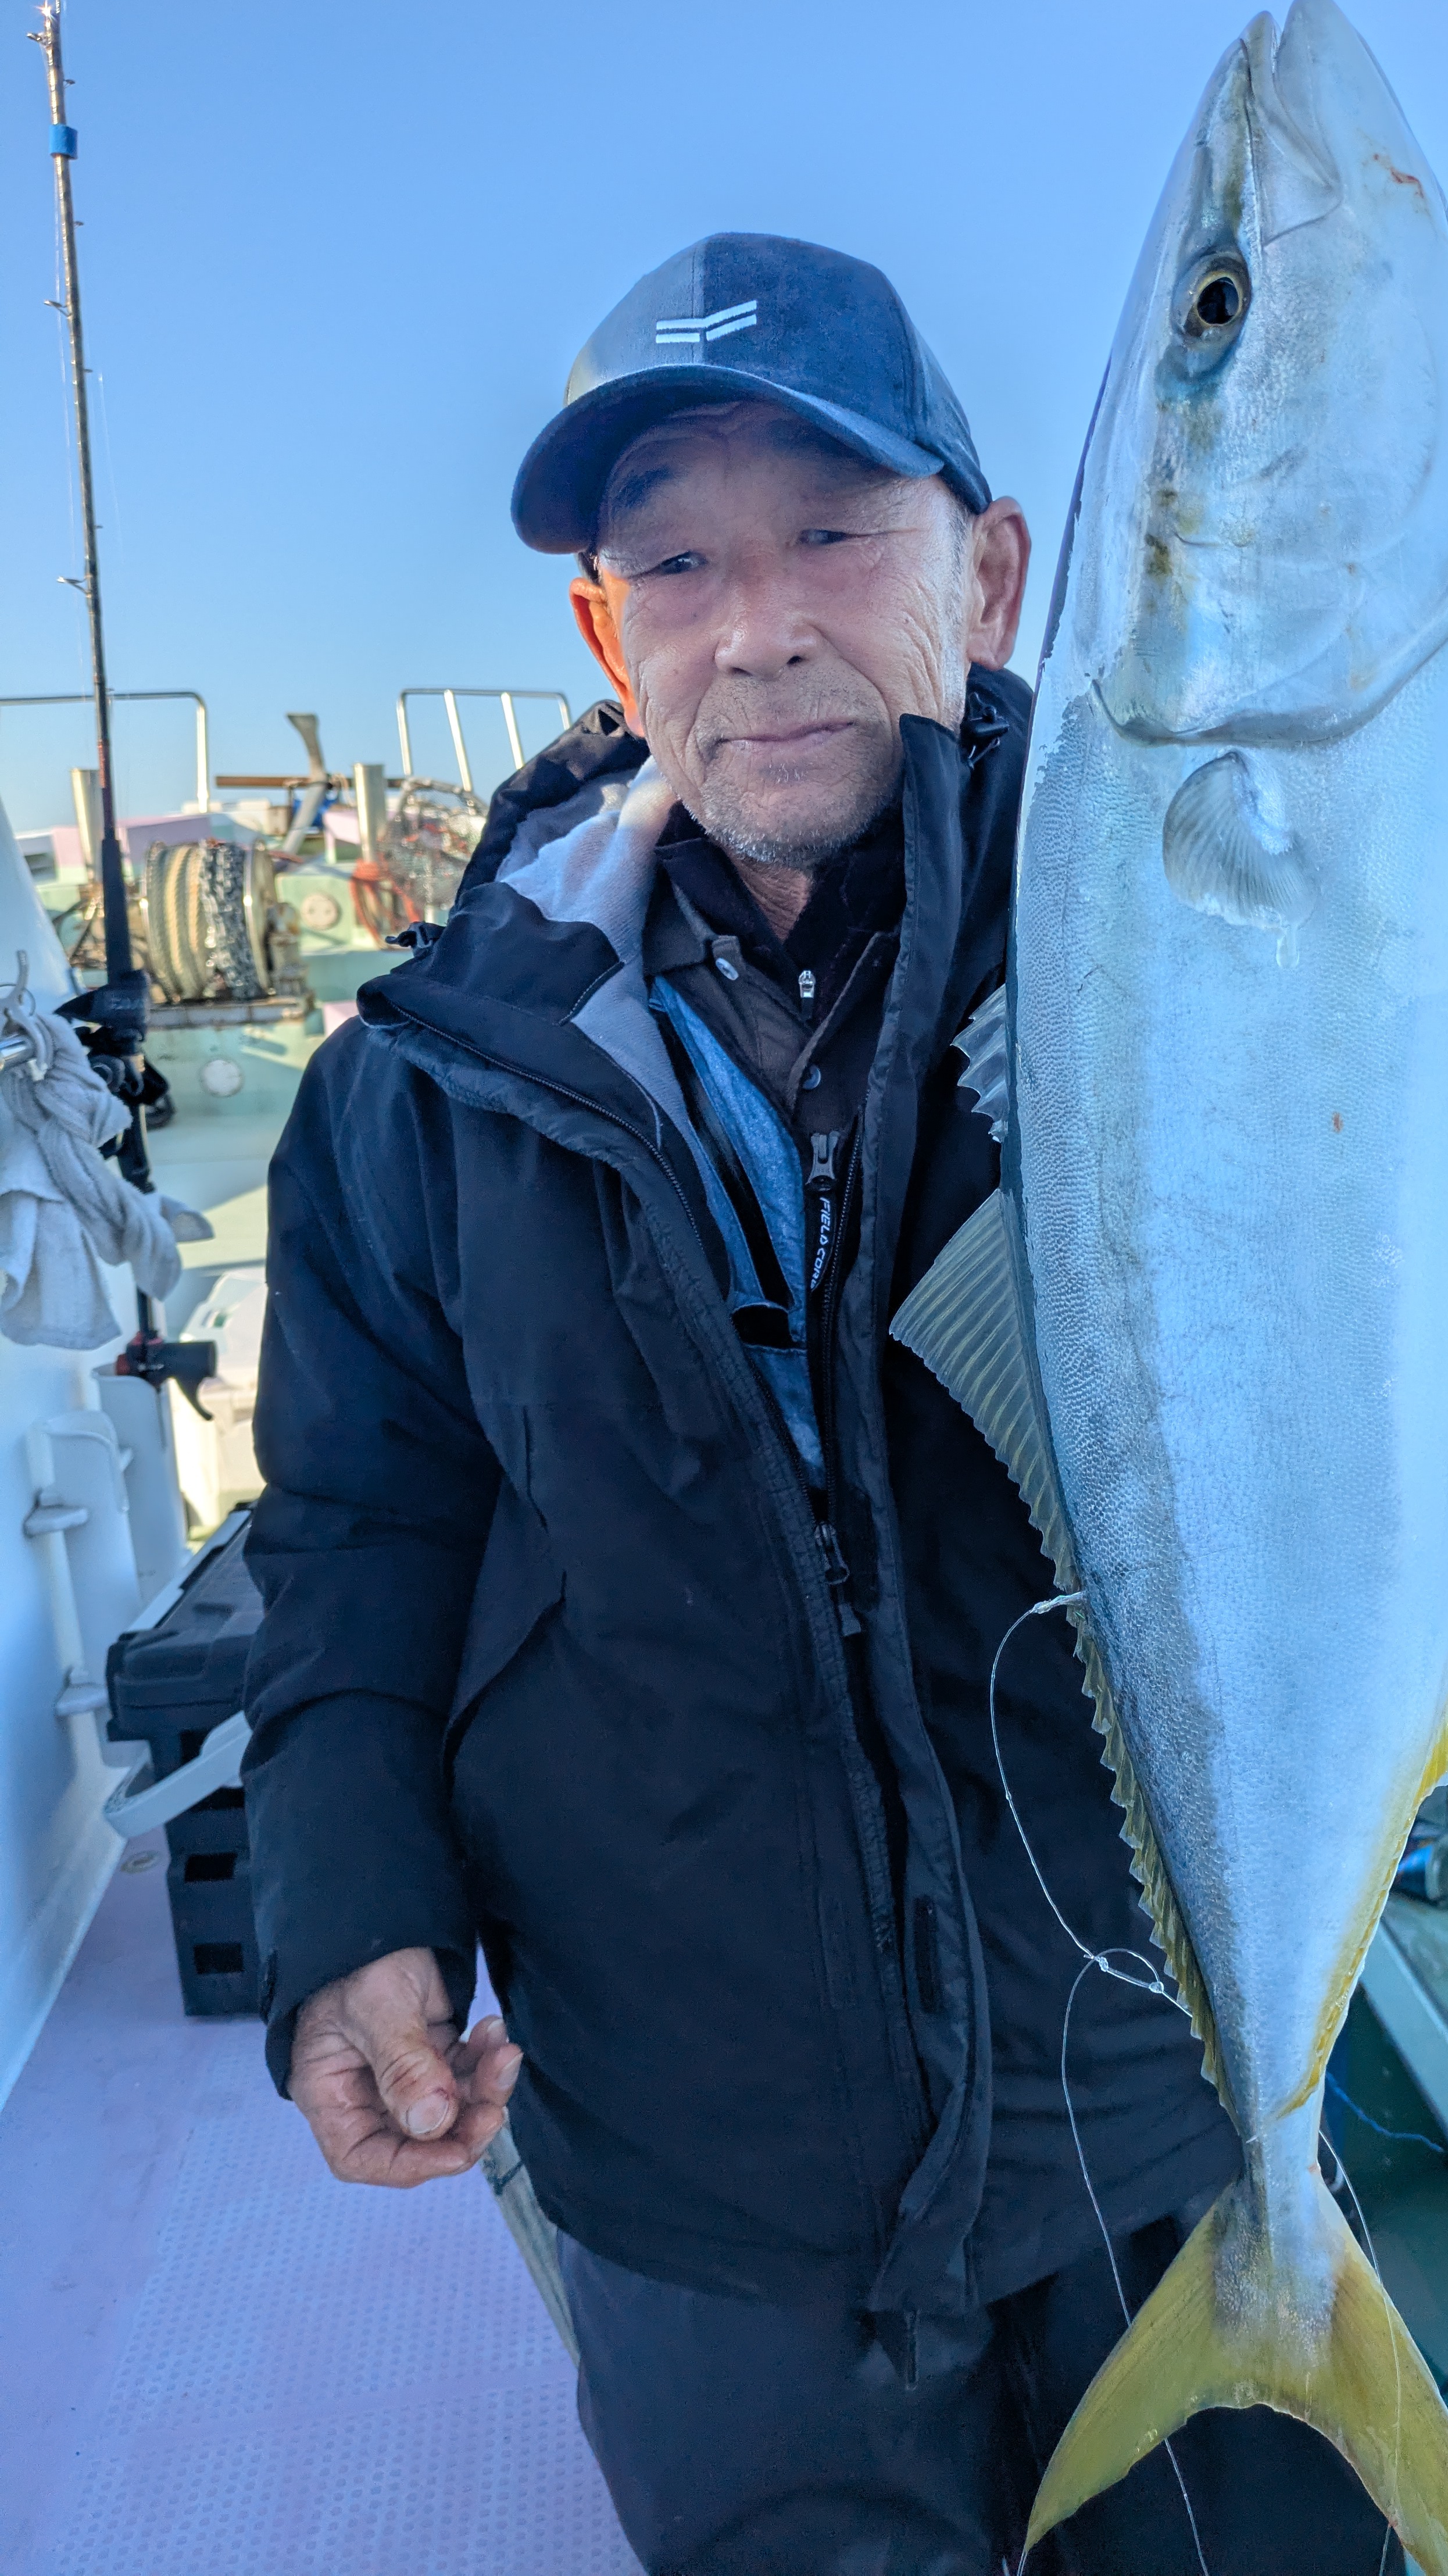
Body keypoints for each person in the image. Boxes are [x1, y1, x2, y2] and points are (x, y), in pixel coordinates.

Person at [243, 233, 1386, 2576]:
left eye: (834, 531)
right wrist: (353, 1904)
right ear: (608, 637)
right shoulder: (417, 1087)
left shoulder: (1200, 948)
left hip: (1145, 2094)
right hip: (693, 2162)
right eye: (674, 562)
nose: (754, 624)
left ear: (989, 575)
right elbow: (360, 1526)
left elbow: (1376, 1427)